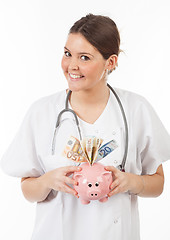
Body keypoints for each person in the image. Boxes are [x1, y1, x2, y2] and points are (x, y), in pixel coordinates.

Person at [1, 13, 170, 240]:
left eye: (85, 58)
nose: (72, 65)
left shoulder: (136, 109)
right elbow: (28, 191)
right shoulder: (42, 112)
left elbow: (157, 184)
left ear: (110, 62)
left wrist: (132, 181)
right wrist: (48, 181)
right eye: (68, 53)